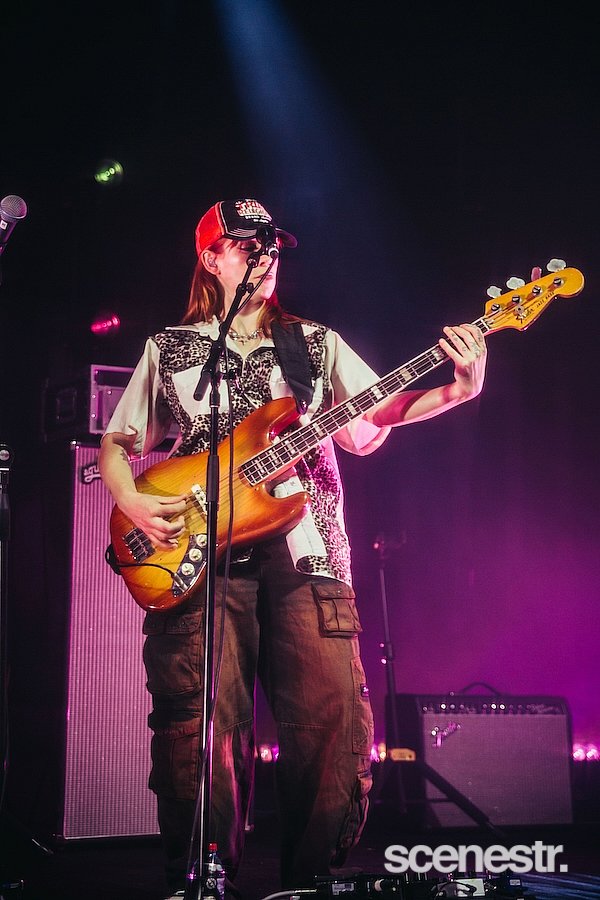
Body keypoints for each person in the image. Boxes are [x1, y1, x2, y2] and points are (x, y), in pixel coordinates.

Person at [98, 198, 487, 898]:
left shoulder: (314, 343)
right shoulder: (170, 348)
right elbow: (119, 441)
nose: (266, 256)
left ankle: (313, 882)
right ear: (212, 258)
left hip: (310, 552)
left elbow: (372, 418)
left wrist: (457, 391)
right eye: (248, 246)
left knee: (329, 724)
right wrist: (129, 499)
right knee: (200, 725)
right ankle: (202, 877)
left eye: (272, 245)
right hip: (200, 558)